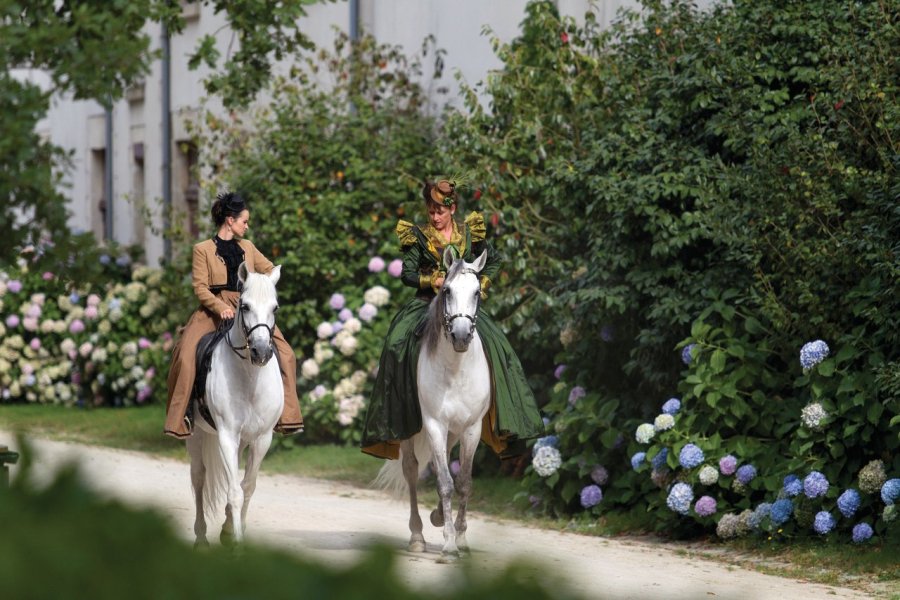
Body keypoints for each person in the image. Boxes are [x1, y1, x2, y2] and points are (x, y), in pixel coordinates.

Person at [361, 179, 543, 459]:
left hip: (462, 305)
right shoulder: (417, 235)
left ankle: (506, 418)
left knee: (500, 348)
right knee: (397, 343)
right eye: (430, 211)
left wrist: (482, 284)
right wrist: (431, 279)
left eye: (439, 212)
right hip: (426, 304)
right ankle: (402, 413)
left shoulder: (471, 232)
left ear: (452, 209)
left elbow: (493, 260)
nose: (434, 217)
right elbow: (407, 273)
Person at [164, 192, 303, 439]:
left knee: (287, 354)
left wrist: (261, 288)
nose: (247, 226)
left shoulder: (248, 247)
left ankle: (286, 416)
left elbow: (270, 269)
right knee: (185, 356)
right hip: (212, 310)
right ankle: (183, 417)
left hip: (247, 308)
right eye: (244, 221)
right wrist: (219, 307)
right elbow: (200, 287)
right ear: (230, 220)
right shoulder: (202, 250)